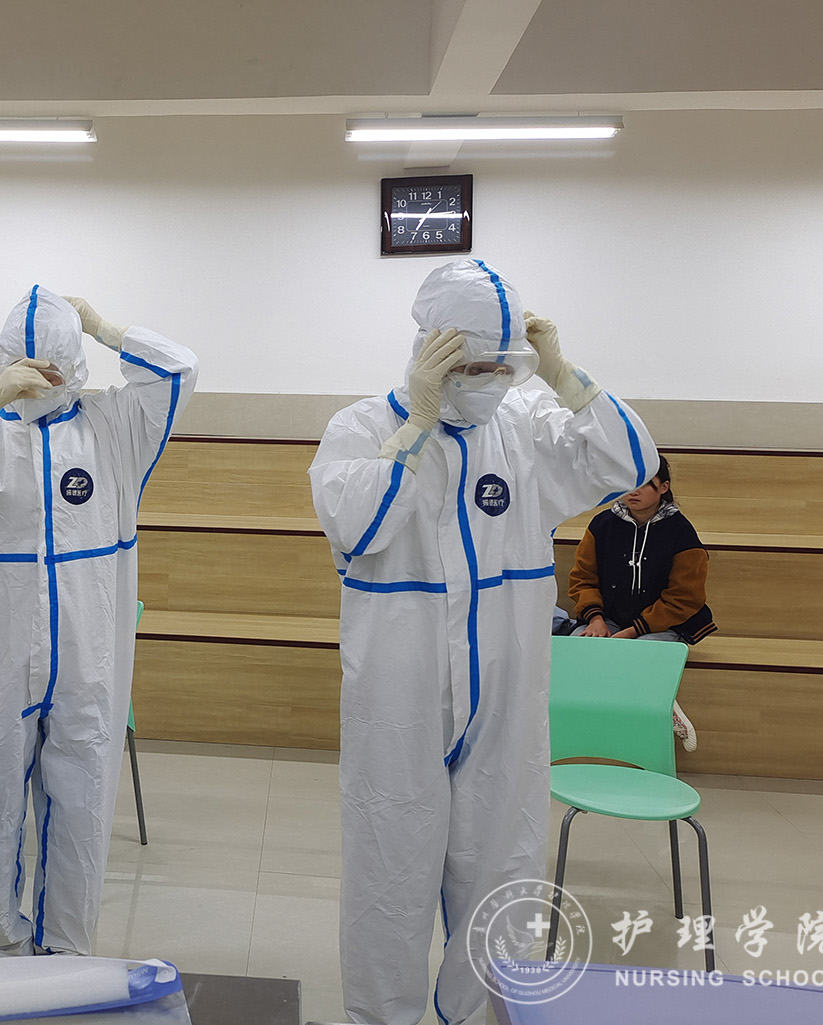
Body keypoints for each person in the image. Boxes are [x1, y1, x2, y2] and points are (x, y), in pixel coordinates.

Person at [309, 259, 658, 1025]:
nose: (491, 380)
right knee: (389, 867)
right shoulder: (363, 429)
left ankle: (478, 1013)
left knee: (503, 866)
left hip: (506, 698)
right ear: (431, 349)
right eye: (473, 365)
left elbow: (633, 462)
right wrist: (416, 426)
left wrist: (564, 378)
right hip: (401, 703)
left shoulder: (524, 428)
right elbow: (357, 526)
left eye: (506, 366)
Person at [0, 286, 197, 958]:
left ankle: (67, 954)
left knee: (82, 810)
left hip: (87, 663)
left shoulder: (114, 427)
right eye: (22, 368)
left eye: (50, 366)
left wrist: (105, 328)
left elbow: (178, 370)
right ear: (1, 364)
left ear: (75, 365)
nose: (37, 381)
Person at [568, 454, 716, 751]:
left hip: (663, 624)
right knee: (577, 648)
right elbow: (583, 578)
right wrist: (595, 619)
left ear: (664, 488)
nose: (633, 491)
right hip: (610, 617)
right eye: (628, 482)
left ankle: (661, 713)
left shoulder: (682, 533)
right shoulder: (601, 525)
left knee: (642, 653)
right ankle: (585, 732)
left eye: (644, 484)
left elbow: (684, 598)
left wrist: (632, 631)